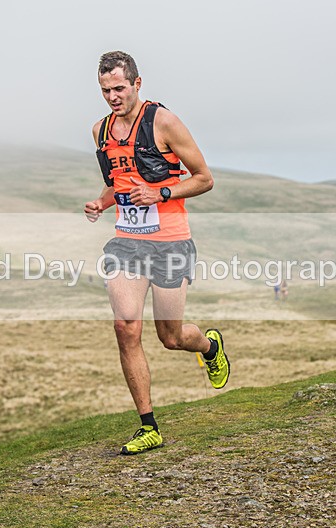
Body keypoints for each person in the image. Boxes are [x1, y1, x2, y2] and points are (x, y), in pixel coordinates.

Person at [84, 51, 230, 455]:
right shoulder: (100, 131)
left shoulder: (164, 122)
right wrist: (102, 203)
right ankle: (148, 426)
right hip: (127, 242)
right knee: (125, 327)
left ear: (137, 84)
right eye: (105, 90)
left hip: (170, 242)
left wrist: (162, 191)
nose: (112, 97)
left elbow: (204, 179)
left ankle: (209, 347)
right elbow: (118, 183)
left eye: (118, 88)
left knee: (170, 337)